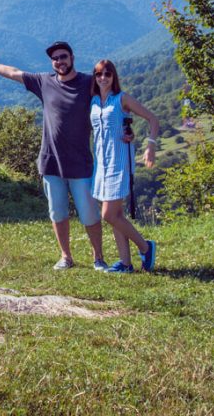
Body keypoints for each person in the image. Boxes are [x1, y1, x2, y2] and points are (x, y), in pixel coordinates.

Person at [0, 41, 109, 270]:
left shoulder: (88, 82)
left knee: (89, 213)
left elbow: (112, 100)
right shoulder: (44, 82)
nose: (59, 61)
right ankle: (66, 257)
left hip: (80, 162)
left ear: (72, 57)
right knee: (57, 212)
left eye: (63, 56)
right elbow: (14, 73)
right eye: (55, 58)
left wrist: (126, 128)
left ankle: (99, 259)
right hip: (50, 161)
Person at [90, 58, 159, 273]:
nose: (103, 78)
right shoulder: (92, 102)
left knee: (109, 215)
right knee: (116, 216)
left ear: (114, 77)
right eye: (99, 74)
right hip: (101, 163)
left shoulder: (122, 99)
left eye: (107, 74)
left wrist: (150, 146)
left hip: (120, 162)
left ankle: (146, 247)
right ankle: (125, 263)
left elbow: (153, 119)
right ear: (95, 77)